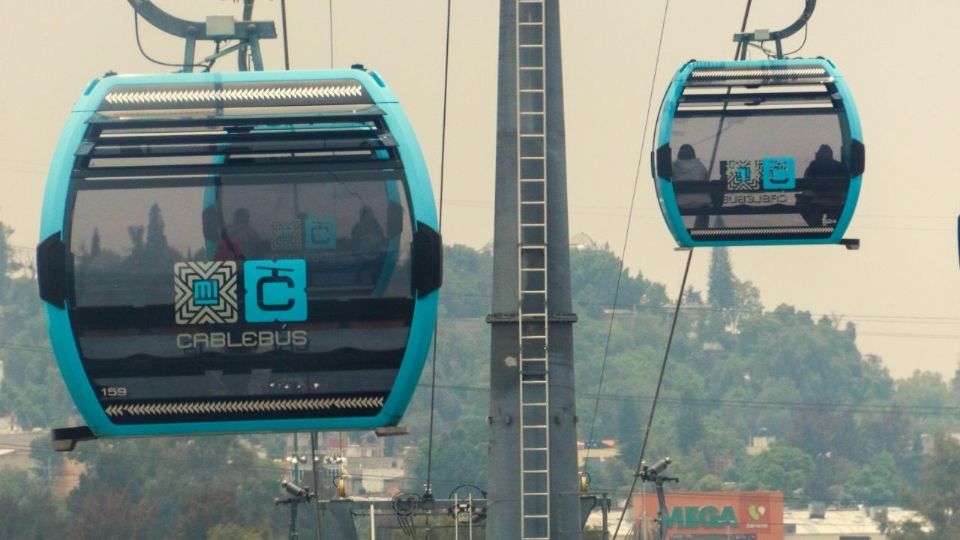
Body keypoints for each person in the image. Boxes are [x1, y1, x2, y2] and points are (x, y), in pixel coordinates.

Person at [800, 144, 848, 226]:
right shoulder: (839, 166)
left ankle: (815, 225)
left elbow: (806, 182)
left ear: (819, 154)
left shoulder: (813, 165)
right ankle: (831, 225)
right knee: (832, 215)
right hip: (836, 201)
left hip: (817, 200)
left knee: (802, 204)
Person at [672, 144, 711, 227]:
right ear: (693, 154)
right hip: (701, 203)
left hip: (680, 203)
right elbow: (706, 179)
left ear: (679, 154)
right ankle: (701, 230)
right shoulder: (700, 166)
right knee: (705, 210)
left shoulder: (673, 166)